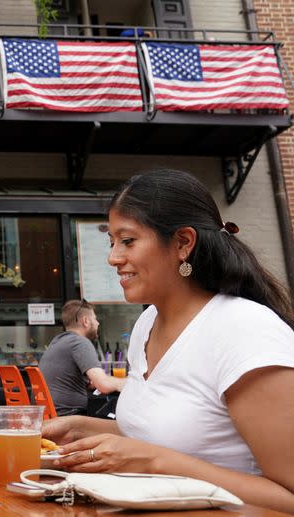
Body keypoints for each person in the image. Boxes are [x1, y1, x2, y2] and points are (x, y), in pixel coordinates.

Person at [42, 170, 294, 513]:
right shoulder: (147, 323)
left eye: (128, 241)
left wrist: (154, 462)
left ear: (182, 243)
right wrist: (78, 429)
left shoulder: (245, 331)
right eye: (111, 242)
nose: (113, 258)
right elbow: (166, 435)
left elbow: (287, 497)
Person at [39, 300, 125, 416]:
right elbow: (104, 385)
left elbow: (73, 381)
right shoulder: (79, 343)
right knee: (121, 428)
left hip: (51, 416)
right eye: (95, 319)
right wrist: (130, 382)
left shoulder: (56, 342)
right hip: (69, 417)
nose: (98, 323)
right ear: (85, 321)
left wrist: (91, 382)